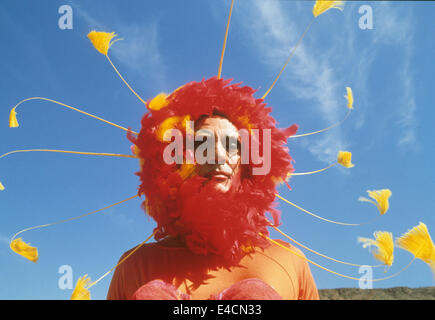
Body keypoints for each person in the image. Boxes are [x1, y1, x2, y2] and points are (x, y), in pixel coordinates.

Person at [107, 77, 319, 300]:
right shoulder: (135, 266)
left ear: (250, 165)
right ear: (174, 163)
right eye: (201, 144)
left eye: (233, 145)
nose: (217, 155)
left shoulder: (290, 262)